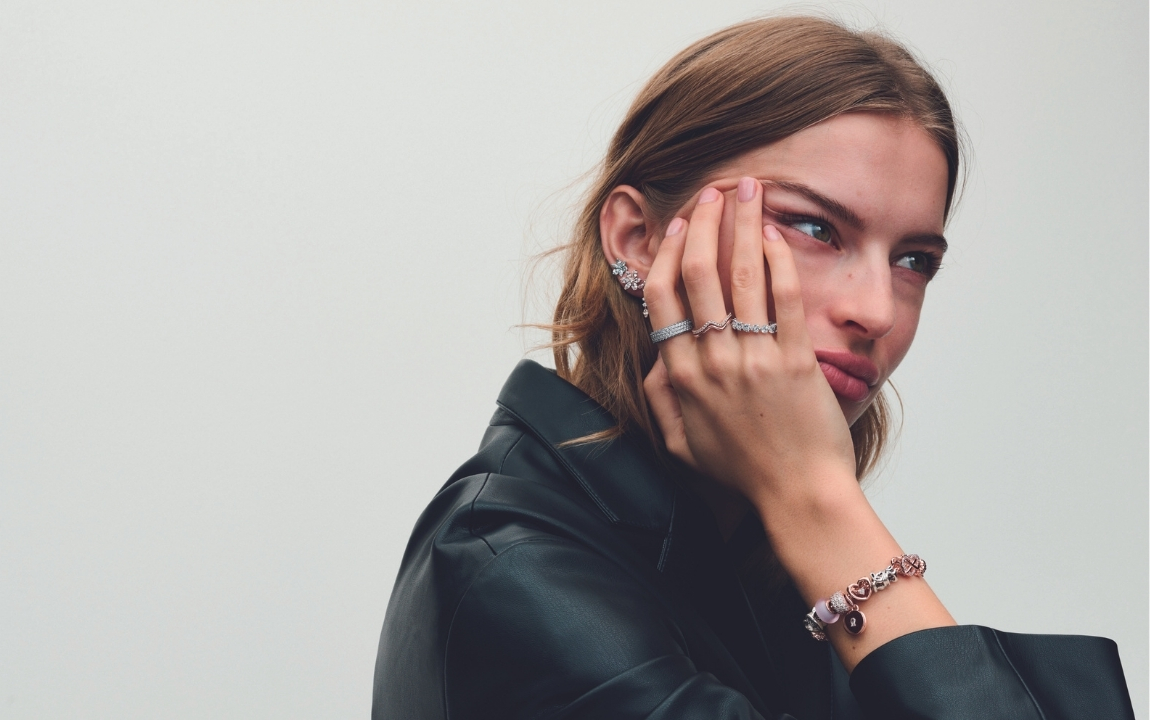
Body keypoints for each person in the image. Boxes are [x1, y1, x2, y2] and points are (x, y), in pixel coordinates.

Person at [372, 15, 1134, 719]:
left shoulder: (755, 551)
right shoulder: (516, 574)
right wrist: (815, 495)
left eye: (914, 260)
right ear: (638, 239)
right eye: (814, 227)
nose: (878, 310)